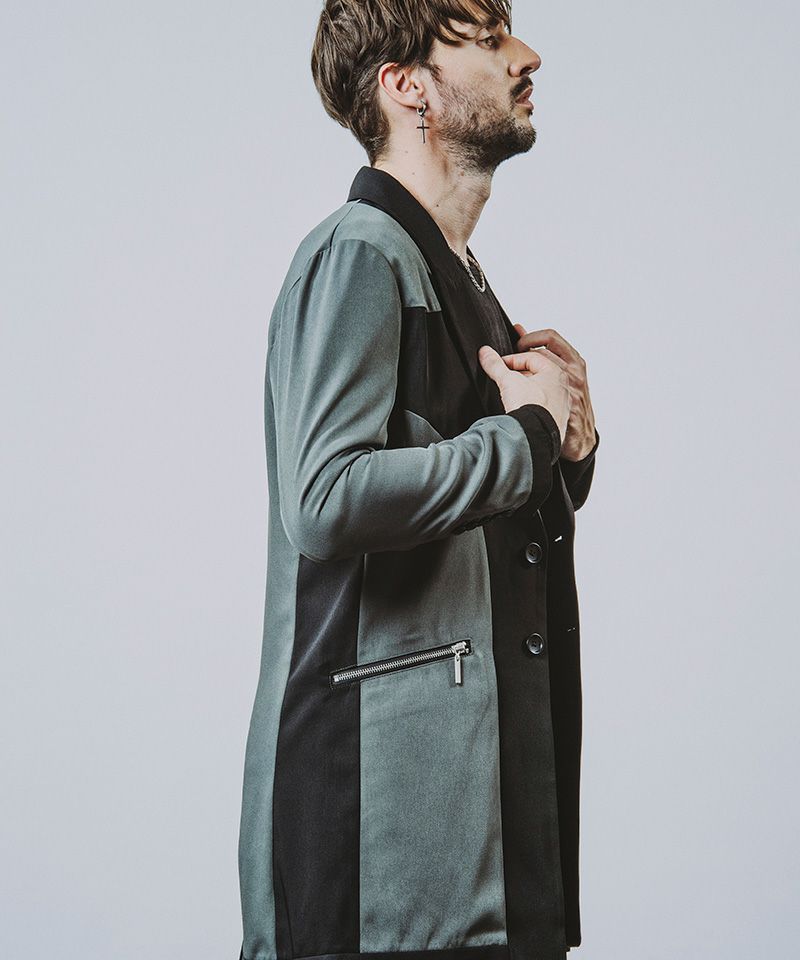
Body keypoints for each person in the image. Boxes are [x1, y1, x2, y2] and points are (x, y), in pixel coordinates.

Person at [237, 2, 600, 959]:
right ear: (407, 88)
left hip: (477, 836)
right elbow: (325, 499)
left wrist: (566, 448)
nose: (526, 56)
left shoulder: (463, 278)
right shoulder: (359, 252)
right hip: (376, 854)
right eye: (486, 39)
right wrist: (526, 435)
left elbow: (476, 521)